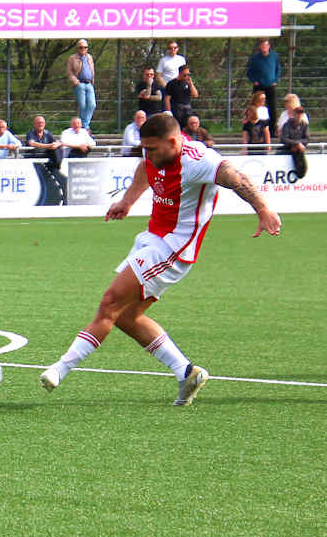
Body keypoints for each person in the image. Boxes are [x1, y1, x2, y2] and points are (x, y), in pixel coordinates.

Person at [40, 112, 281, 405]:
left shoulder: (198, 160)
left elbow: (235, 176)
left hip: (174, 248)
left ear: (173, 142)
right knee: (126, 316)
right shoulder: (155, 153)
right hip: (153, 239)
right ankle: (186, 372)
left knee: (110, 304)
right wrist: (127, 201)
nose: (149, 154)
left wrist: (263, 210)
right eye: (145, 148)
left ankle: (60, 369)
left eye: (153, 149)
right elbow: (146, 166)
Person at [246, 39, 282, 135]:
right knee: (255, 107)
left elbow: (278, 69)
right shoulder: (255, 58)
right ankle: (253, 129)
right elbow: (249, 71)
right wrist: (254, 81)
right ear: (260, 47)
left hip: (270, 85)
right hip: (259, 86)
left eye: (266, 45)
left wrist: (275, 80)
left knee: (272, 108)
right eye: (262, 46)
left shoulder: (274, 56)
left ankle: (272, 131)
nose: (264, 48)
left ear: (269, 46)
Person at [66, 39, 96, 130]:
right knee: (82, 106)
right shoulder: (72, 58)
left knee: (92, 104)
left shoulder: (89, 57)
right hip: (79, 84)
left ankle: (84, 125)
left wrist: (92, 81)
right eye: (81, 47)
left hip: (89, 83)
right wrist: (76, 82)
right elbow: (69, 72)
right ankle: (85, 127)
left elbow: (92, 70)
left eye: (85, 47)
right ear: (77, 48)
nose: (83, 49)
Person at [163, 64, 198, 128]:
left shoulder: (188, 83)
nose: (186, 76)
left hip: (187, 109)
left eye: (188, 75)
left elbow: (195, 95)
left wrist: (191, 85)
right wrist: (169, 111)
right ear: (180, 73)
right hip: (176, 109)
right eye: (185, 75)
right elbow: (167, 99)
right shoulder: (172, 83)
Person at [278, 107, 309, 179]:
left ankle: (300, 173)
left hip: (299, 149)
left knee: (303, 166)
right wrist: (296, 144)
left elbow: (307, 139)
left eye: (300, 114)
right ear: (294, 114)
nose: (299, 116)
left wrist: (299, 144)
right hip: (288, 149)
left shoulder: (304, 125)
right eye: (297, 113)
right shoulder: (287, 125)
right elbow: (283, 139)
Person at [241, 91, 271, 155]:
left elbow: (266, 129)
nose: (263, 100)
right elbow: (246, 122)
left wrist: (268, 144)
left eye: (264, 98)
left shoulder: (264, 109)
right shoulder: (250, 109)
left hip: (261, 135)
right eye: (262, 98)